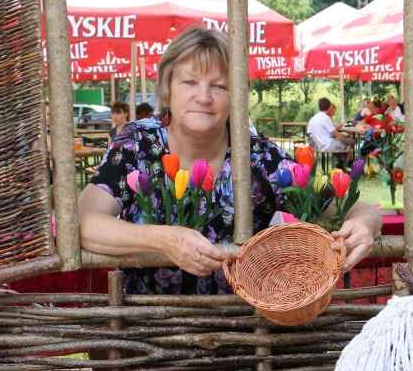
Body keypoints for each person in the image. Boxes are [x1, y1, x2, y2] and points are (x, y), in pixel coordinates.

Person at [77, 27, 381, 295]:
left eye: (219, 86)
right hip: (147, 338)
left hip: (242, 340)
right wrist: (165, 240)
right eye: (189, 82)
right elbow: (83, 222)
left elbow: (359, 209)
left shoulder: (261, 157)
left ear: (237, 96)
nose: (204, 96)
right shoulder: (137, 144)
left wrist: (365, 224)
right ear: (167, 89)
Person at [306, 97, 355, 166]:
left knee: (341, 142)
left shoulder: (315, 117)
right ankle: (344, 165)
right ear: (329, 107)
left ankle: (346, 161)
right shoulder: (325, 118)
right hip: (325, 145)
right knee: (350, 142)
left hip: (315, 144)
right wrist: (349, 142)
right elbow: (337, 134)